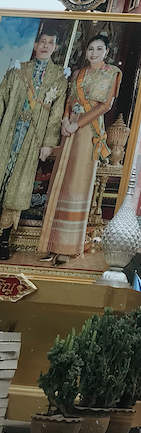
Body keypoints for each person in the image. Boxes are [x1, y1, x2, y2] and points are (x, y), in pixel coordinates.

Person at [39, 34, 121, 264]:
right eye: (90, 49)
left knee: (77, 182)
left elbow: (106, 105)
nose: (94, 53)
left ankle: (68, 247)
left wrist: (78, 123)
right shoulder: (78, 74)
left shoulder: (112, 74)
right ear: (85, 52)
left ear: (106, 51)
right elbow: (68, 100)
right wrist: (66, 120)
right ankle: (51, 244)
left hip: (88, 130)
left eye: (98, 49)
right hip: (70, 130)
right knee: (61, 181)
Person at [0, 27, 67, 260]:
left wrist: (49, 143)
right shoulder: (17, 71)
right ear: (35, 45)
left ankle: (3, 239)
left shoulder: (59, 79)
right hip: (7, 134)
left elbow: (56, 115)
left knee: (16, 186)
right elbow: (2, 99)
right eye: (42, 42)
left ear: (56, 48)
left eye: (51, 43)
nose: (46, 46)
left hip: (32, 139)